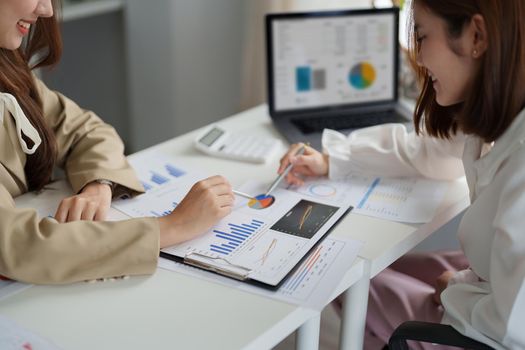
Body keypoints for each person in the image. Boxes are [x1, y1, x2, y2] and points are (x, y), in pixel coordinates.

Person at [278, 0, 525, 348]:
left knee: (337, 279)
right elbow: (432, 151)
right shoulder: (497, 107)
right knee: (379, 271)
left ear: (477, 36)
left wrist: (456, 288)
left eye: (422, 36)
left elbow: (514, 324)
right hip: (488, 280)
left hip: (486, 330)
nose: (419, 58)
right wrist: (334, 159)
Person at [0, 0, 234, 284]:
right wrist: (173, 226)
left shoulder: (8, 71)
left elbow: (86, 130)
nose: (47, 10)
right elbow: (20, 247)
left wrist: (98, 184)